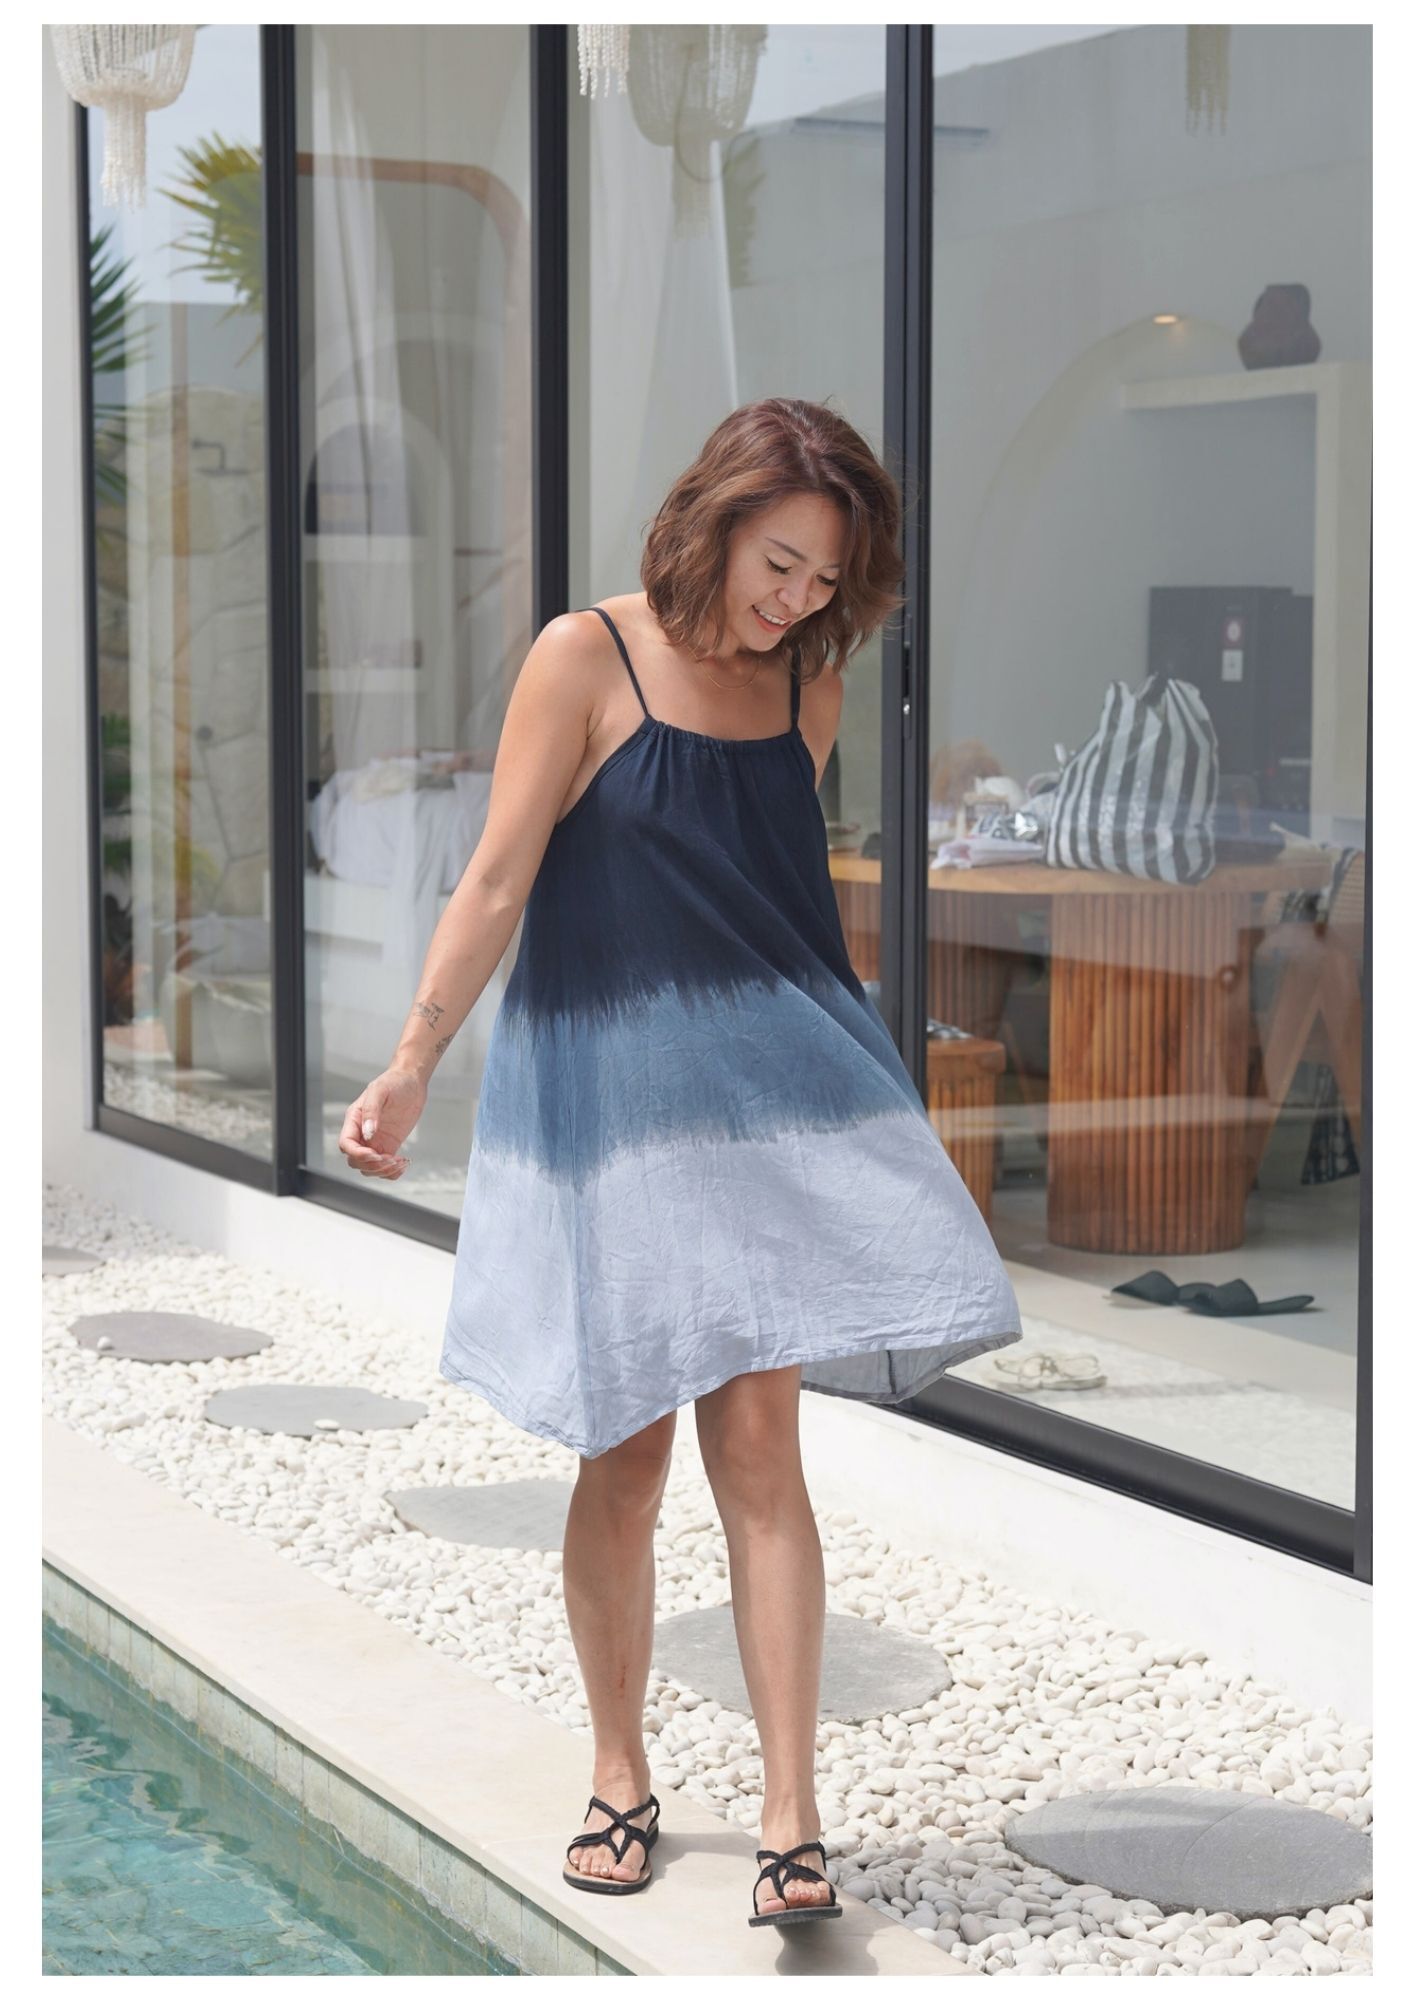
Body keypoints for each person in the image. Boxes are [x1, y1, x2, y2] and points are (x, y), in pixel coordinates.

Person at [338, 397, 1021, 1929]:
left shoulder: (807, 688)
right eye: (779, 564)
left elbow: (771, 914)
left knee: (762, 1451)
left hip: (768, 1111)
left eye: (822, 582)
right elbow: (497, 876)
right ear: (714, 519)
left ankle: (791, 1815)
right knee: (627, 1454)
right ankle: (617, 1774)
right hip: (619, 1121)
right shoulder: (585, 656)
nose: (795, 601)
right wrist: (413, 1058)